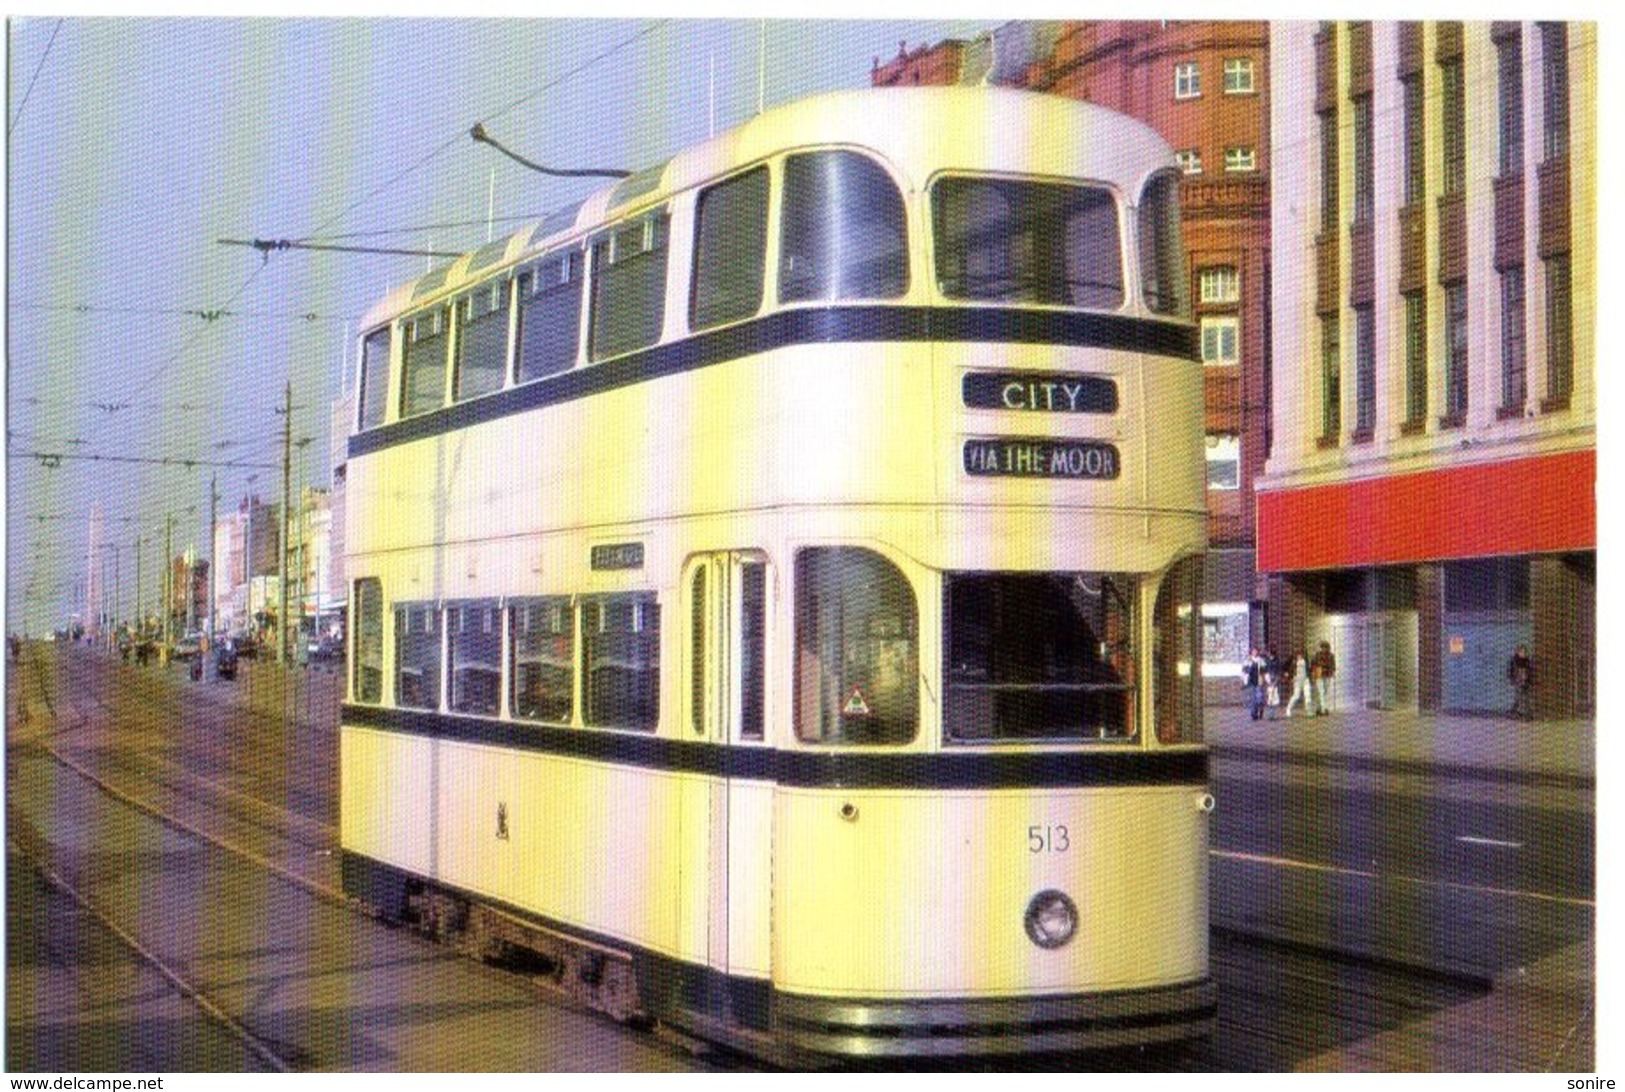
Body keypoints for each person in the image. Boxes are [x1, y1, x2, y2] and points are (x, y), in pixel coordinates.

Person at [1310, 640, 1337, 715]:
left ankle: (1319, 707)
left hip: (1327, 674)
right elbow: (1312, 665)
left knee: (1324, 691)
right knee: (1321, 691)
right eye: (1322, 647)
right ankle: (1323, 709)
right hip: (1319, 674)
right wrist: (1313, 673)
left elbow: (1333, 665)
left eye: (1325, 647)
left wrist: (1333, 672)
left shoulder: (1331, 655)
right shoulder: (1317, 655)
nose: (1323, 649)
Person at [1284, 649, 1313, 717]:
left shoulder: (1305, 661)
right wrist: (1288, 675)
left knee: (1308, 695)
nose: (1300, 656)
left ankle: (1308, 711)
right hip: (1297, 681)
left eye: (1301, 655)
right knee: (1296, 696)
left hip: (1305, 680)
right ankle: (1288, 708)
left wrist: (1310, 677)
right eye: (1299, 655)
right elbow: (1285, 666)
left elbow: (1309, 669)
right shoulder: (1294, 661)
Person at [1508, 644, 1534, 720]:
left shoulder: (1527, 661)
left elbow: (1530, 671)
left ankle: (1527, 713)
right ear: (1518, 652)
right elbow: (1511, 671)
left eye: (1524, 652)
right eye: (1521, 652)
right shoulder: (1514, 661)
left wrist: (1529, 680)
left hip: (1526, 682)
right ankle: (1515, 712)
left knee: (1526, 698)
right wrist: (1513, 679)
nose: (1523, 653)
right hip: (1518, 681)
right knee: (1519, 698)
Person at [1241, 648, 1266, 721]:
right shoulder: (1247, 660)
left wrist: (1266, 679)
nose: (1255, 652)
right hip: (1251, 682)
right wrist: (1244, 680)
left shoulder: (1261, 660)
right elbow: (1244, 671)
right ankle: (1253, 714)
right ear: (1251, 652)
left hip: (1259, 681)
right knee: (1253, 699)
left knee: (1259, 698)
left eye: (1256, 651)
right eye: (1253, 651)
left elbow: (1264, 671)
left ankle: (1261, 709)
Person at [1264, 648, 1283, 720]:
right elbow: (1265, 671)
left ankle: (1273, 714)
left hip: (1274, 680)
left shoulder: (1277, 661)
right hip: (1269, 679)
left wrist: (1275, 682)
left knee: (1274, 697)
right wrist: (1268, 680)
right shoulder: (1267, 661)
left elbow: (1278, 672)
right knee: (1270, 697)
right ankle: (1271, 714)